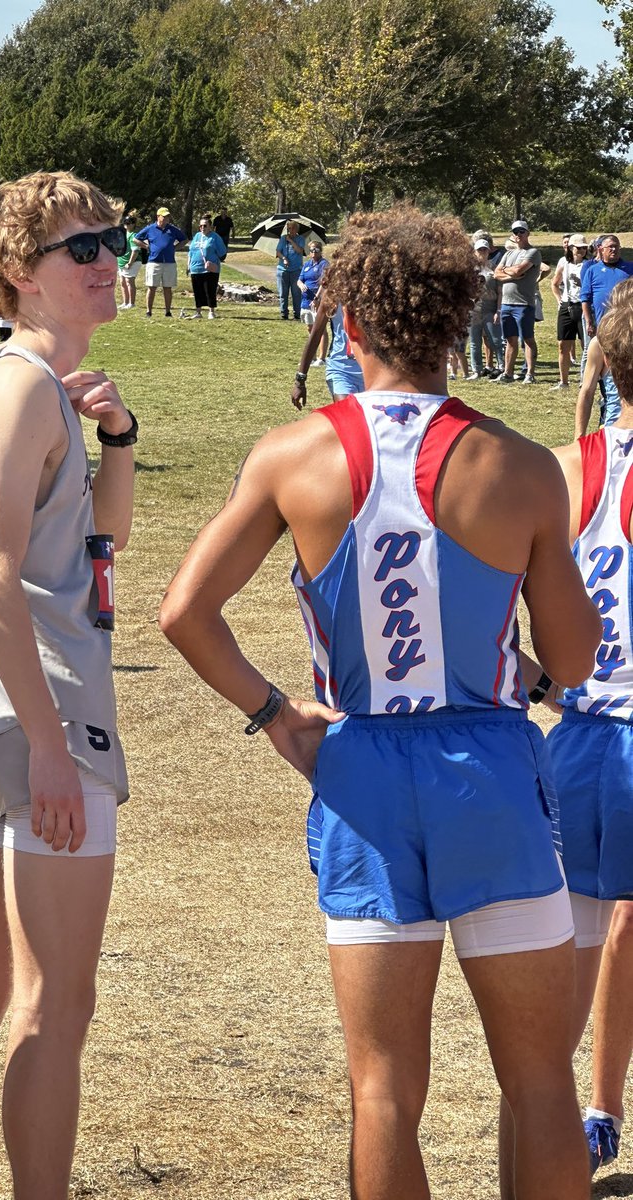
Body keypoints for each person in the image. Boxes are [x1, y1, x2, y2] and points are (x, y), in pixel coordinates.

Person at [160, 205, 601, 1200]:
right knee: (538, 1083)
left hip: (359, 770)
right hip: (490, 769)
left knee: (383, 1093)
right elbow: (571, 660)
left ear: (346, 326)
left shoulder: (290, 456)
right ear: (459, 322)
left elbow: (185, 611)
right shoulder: (523, 465)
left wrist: (277, 717)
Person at [0, 169, 135, 1200]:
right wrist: (52, 745)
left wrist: (120, 441)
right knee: (57, 1000)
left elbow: (104, 548)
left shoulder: (17, 383)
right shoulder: (15, 386)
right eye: (81, 250)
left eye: (112, 241)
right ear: (20, 274)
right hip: (33, 719)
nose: (107, 263)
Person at [530, 277, 633, 1177]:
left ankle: (565, 1117)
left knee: (585, 929)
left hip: (581, 734)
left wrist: (533, 675)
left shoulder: (566, 467)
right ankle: (597, 1108)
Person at [580, 235, 633, 428]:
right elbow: (585, 298)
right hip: (602, 330)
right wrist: (589, 321)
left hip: (626, 332)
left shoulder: (630, 268)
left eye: (617, 246)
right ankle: (608, 413)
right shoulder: (592, 270)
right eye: (610, 247)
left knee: (617, 380)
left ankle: (612, 418)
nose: (614, 250)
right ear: (600, 249)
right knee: (598, 375)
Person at [291, 273, 364, 409]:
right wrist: (300, 380)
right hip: (342, 370)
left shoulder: (380, 292)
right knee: (348, 415)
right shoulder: (333, 294)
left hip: (375, 372)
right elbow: (315, 335)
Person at [493, 219, 542, 385]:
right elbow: (496, 274)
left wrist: (509, 272)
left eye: (522, 231)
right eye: (515, 232)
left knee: (527, 339)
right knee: (510, 339)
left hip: (524, 303)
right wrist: (510, 274)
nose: (518, 235)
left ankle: (530, 373)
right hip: (507, 303)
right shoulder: (508, 254)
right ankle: (508, 373)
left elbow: (519, 270)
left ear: (528, 233)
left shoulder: (533, 252)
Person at [134, 207, 187, 318]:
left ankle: (168, 312)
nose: (167, 218)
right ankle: (149, 311)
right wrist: (145, 246)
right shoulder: (150, 229)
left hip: (169, 262)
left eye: (168, 216)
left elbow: (184, 240)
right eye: (164, 216)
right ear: (158, 217)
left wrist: (175, 248)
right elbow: (136, 239)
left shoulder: (172, 229)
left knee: (167, 288)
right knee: (152, 286)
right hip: (154, 262)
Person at [551, 235, 589, 390]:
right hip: (567, 305)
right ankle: (563, 381)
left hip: (583, 305)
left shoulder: (589, 264)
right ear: (571, 247)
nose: (581, 250)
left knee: (586, 345)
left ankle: (585, 380)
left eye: (584, 247)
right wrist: (559, 300)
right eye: (578, 247)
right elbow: (554, 283)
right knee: (563, 344)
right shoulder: (563, 262)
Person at [468, 237, 503, 380]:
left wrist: (499, 310)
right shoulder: (469, 270)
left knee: (495, 340)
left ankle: (502, 367)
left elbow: (501, 291)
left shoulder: (495, 268)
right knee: (475, 341)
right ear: (475, 252)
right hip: (474, 309)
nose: (482, 252)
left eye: (485, 249)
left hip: (490, 308)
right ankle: (477, 370)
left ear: (489, 251)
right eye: (479, 250)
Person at [185, 213, 226, 319]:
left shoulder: (215, 237)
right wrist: (188, 265)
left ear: (210, 226)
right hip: (195, 268)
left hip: (209, 269)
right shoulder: (197, 236)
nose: (202, 228)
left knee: (209, 290)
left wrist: (214, 262)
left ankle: (211, 311)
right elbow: (191, 252)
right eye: (201, 226)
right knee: (197, 291)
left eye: (205, 225)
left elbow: (222, 254)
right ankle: (198, 312)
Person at [297, 241, 329, 362]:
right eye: (311, 250)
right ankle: (312, 356)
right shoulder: (307, 265)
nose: (313, 253)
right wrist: (300, 285)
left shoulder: (324, 264)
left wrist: (317, 298)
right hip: (306, 301)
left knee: (320, 328)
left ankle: (322, 358)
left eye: (316, 250)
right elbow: (299, 280)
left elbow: (325, 283)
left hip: (317, 300)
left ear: (320, 251)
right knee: (310, 328)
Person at [275, 220, 306, 319]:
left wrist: (291, 241)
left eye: (292, 228)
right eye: (289, 228)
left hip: (296, 270)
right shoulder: (283, 238)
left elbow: (300, 250)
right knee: (283, 293)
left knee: (296, 293)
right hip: (282, 270)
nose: (290, 230)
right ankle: (284, 313)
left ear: (296, 229)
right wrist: (284, 258)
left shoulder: (300, 239)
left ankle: (297, 313)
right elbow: (278, 252)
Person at [117, 215, 141, 309]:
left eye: (128, 223)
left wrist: (130, 263)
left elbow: (135, 251)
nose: (126, 225)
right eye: (125, 223)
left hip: (131, 262)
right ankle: (125, 302)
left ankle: (131, 303)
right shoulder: (123, 234)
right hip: (121, 262)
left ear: (133, 224)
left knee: (129, 281)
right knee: (122, 282)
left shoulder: (133, 235)